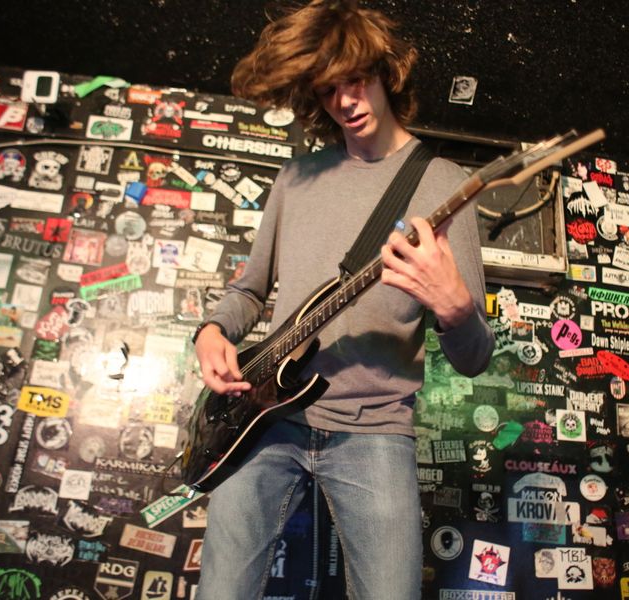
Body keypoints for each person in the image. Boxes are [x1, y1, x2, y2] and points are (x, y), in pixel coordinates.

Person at [192, 1, 495, 598]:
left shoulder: (444, 184)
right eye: (328, 89)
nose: (345, 101)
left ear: (385, 71)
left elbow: (474, 357)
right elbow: (248, 291)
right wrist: (211, 330)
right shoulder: (295, 179)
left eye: (355, 79)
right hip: (265, 419)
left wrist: (457, 310)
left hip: (375, 431)